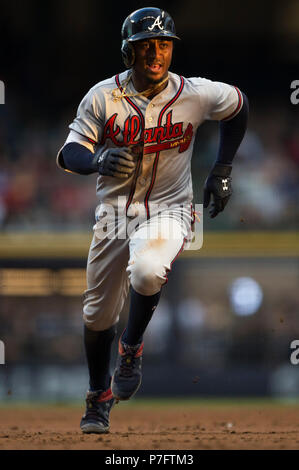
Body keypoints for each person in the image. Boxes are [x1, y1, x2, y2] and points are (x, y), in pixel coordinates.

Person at [57, 7, 248, 434]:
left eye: (163, 44)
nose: (156, 53)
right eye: (146, 45)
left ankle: (131, 348)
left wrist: (222, 170)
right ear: (129, 52)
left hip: (170, 209)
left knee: (147, 271)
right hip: (113, 216)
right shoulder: (102, 97)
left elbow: (238, 106)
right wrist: (97, 159)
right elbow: (70, 152)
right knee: (96, 314)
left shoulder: (194, 93)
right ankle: (97, 396)